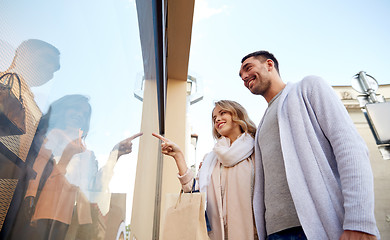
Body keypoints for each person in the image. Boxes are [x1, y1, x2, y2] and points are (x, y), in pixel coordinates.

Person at [239, 50, 380, 240]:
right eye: (240, 76)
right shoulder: (262, 124)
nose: (244, 77)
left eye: (248, 68)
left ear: (269, 65)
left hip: (315, 228)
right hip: (274, 233)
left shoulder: (308, 88)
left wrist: (360, 221)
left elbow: (350, 148)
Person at [17, 94, 142, 240]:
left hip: (72, 219)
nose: (79, 115)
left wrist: (114, 155)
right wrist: (30, 195)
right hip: (45, 209)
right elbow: (37, 169)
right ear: (63, 110)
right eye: (75, 109)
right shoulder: (53, 135)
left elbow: (94, 188)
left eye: (84, 114)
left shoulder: (87, 153)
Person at [153, 100, 258, 240]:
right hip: (214, 234)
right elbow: (194, 193)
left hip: (252, 233)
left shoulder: (256, 151)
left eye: (222, 113)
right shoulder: (211, 159)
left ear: (237, 114)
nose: (217, 119)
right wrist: (178, 156)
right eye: (214, 118)